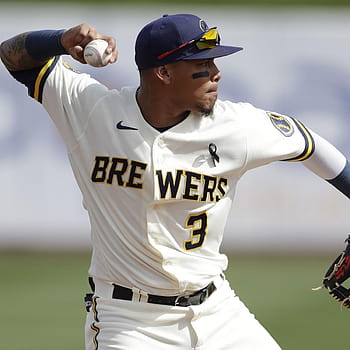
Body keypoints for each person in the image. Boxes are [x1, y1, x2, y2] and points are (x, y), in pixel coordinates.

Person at [1, 13, 349, 350]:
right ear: (164, 72)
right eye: (203, 65)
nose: (216, 73)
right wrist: (61, 40)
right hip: (129, 319)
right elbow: (13, 56)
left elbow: (311, 145)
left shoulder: (237, 126)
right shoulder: (90, 109)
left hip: (218, 311)